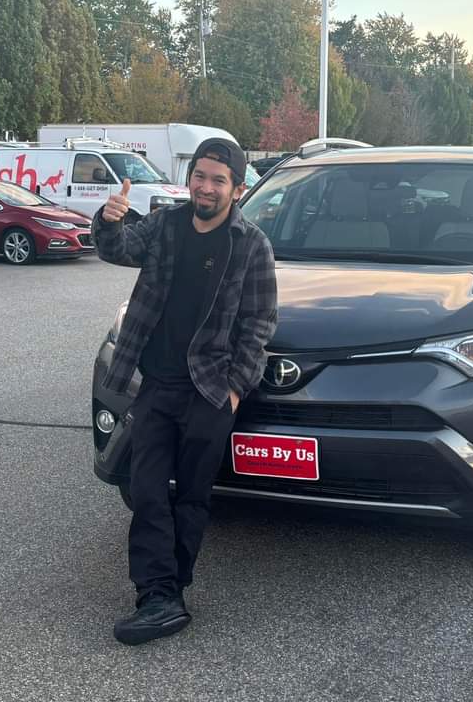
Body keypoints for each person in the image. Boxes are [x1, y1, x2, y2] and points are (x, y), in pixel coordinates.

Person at [94, 138, 278, 645]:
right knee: (148, 490)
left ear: (237, 189)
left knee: (192, 496)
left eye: (219, 180)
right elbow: (118, 249)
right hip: (157, 384)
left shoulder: (251, 245)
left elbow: (260, 321)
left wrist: (237, 388)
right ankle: (157, 595)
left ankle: (170, 590)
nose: (207, 187)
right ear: (190, 179)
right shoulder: (164, 226)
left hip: (210, 390)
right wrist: (110, 219)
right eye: (200, 176)